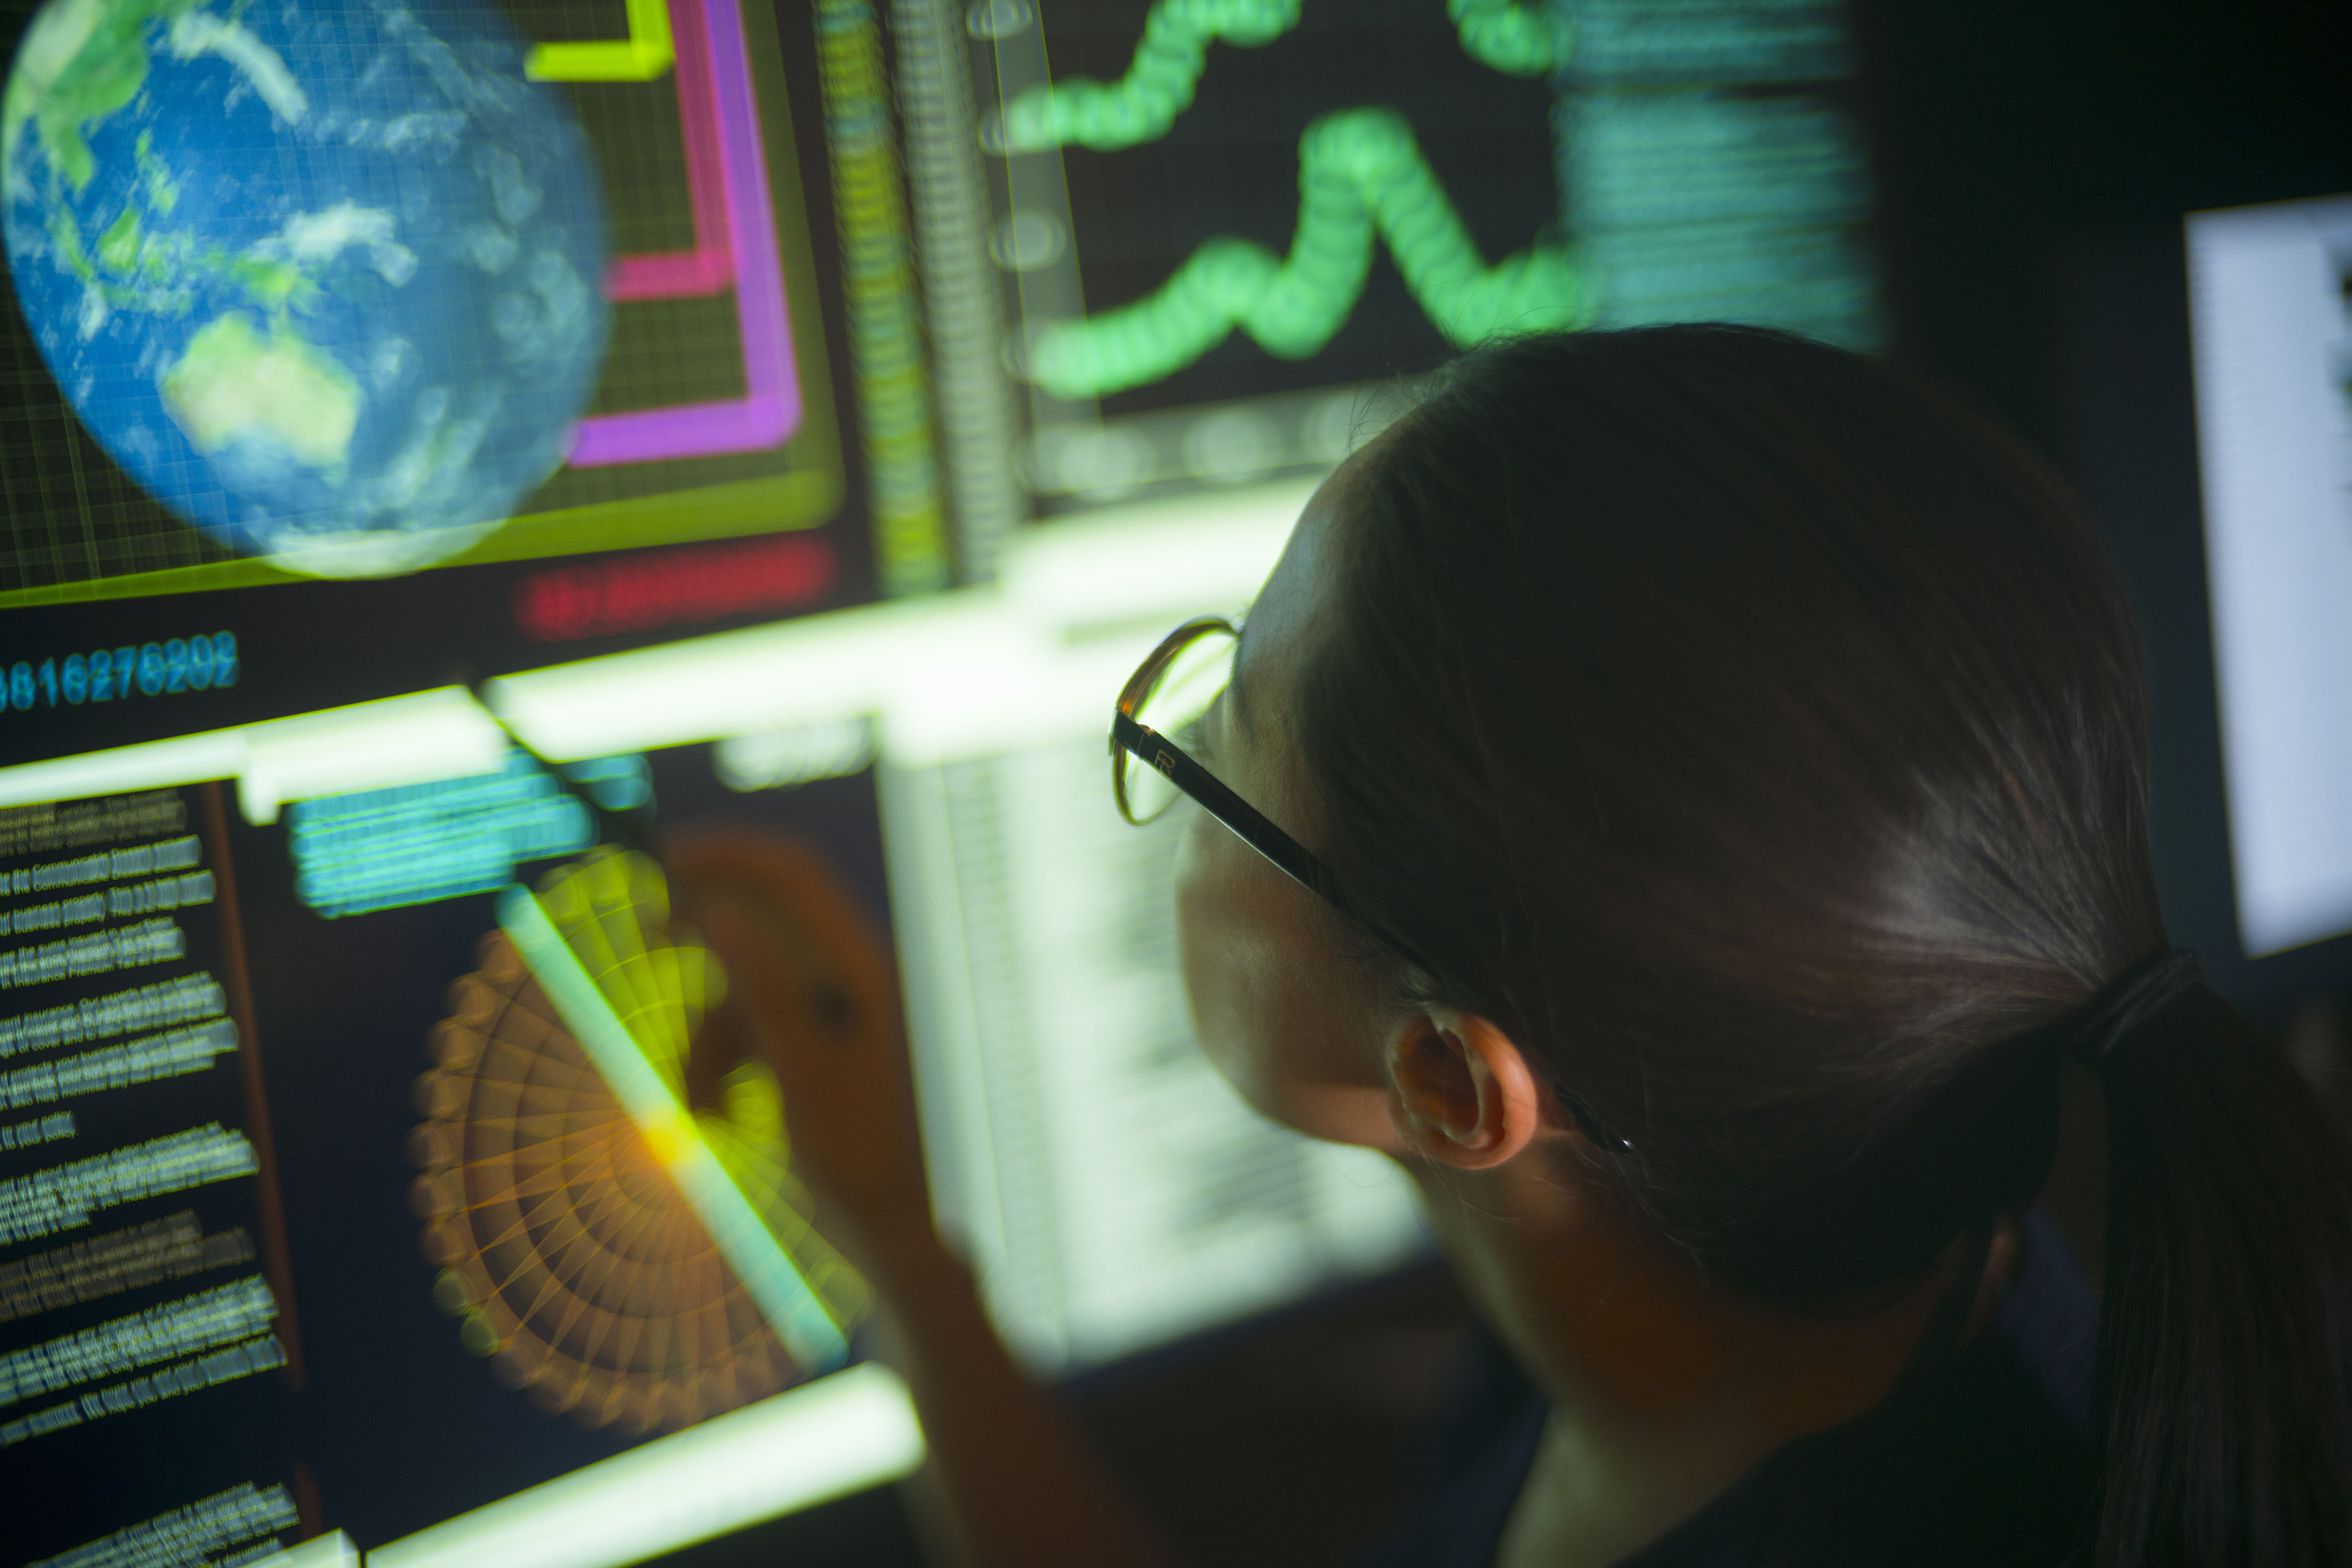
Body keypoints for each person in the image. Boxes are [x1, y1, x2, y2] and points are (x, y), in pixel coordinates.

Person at [671, 325, 2352, 1567]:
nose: (1179, 764)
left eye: (1224, 735)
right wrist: (896, 1235)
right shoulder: (1777, 1284)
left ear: (1452, 1085)